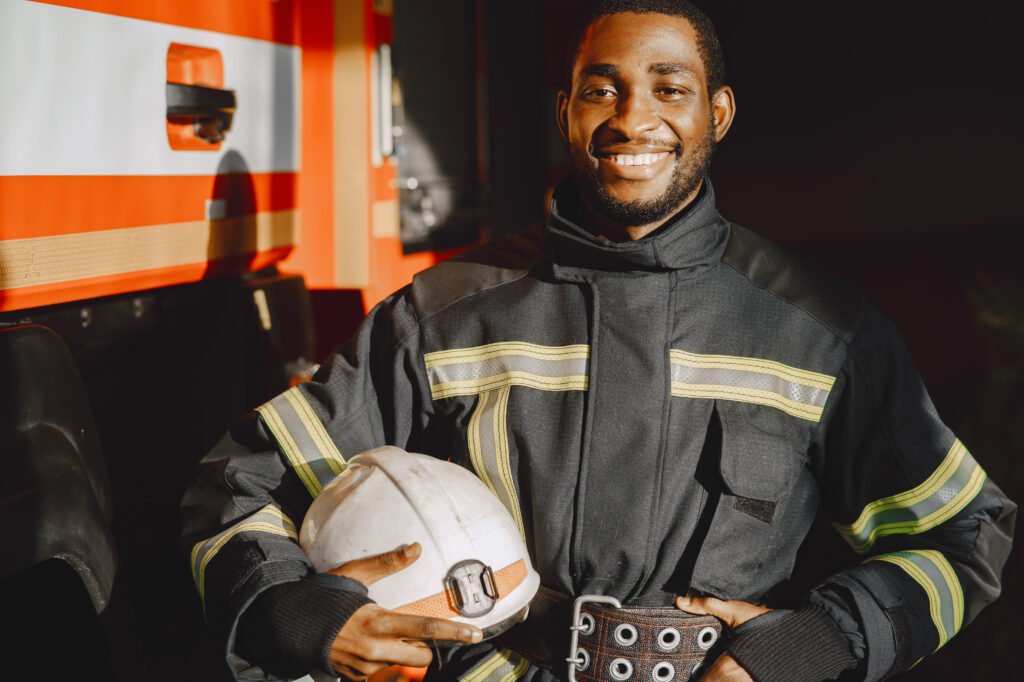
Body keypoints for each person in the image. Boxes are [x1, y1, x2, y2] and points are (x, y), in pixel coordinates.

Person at [180, 1, 1016, 680]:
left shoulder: (817, 329)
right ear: (566, 113)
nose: (632, 118)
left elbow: (964, 533)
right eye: (601, 89)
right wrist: (295, 614)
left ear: (717, 113)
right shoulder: (444, 313)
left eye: (669, 89)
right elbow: (243, 482)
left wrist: (820, 642)